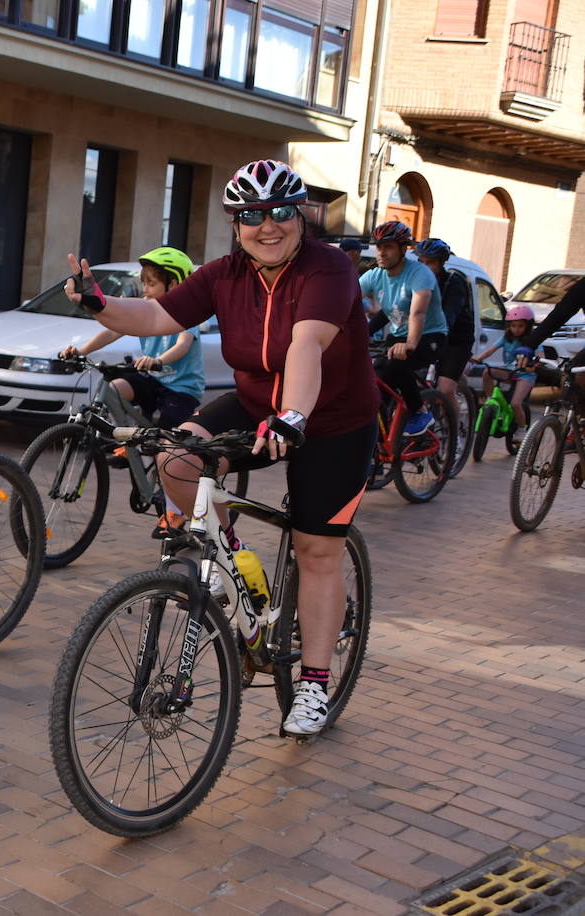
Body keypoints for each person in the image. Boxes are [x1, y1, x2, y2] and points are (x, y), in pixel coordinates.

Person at [63, 159, 379, 737]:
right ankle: (234, 560)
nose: (268, 226)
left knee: (315, 550)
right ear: (235, 225)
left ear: (301, 217)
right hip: (257, 404)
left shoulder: (328, 268)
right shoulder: (225, 274)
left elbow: (307, 344)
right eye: (251, 216)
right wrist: (97, 302)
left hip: (333, 421)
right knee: (176, 458)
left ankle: (313, 683)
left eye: (281, 212)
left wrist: (293, 417)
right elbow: (156, 314)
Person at [57, 247, 205, 536]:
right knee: (115, 389)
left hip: (181, 390)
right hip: (153, 381)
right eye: (143, 283)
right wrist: (82, 350)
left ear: (174, 284)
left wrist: (159, 359)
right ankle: (130, 443)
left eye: (151, 283)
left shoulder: (187, 312)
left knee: (167, 450)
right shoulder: (144, 309)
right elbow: (113, 330)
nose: (145, 289)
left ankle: (174, 513)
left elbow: (183, 344)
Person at [361, 220, 446, 435]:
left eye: (388, 247)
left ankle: (420, 411)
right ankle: (380, 443)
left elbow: (418, 312)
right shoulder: (375, 275)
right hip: (398, 336)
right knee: (375, 385)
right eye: (379, 247)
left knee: (397, 363)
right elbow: (344, 300)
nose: (381, 252)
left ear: (403, 249)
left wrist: (410, 344)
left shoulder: (420, 273)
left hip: (429, 336)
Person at [413, 237, 475, 430]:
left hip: (456, 341)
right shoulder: (417, 281)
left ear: (441, 263)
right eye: (421, 262)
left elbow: (449, 315)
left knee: (446, 389)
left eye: (430, 262)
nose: (424, 267)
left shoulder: (454, 283)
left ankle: (454, 436)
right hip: (429, 337)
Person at [472, 305, 537, 428]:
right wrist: (479, 358)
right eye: (513, 326)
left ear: (528, 326)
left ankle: (522, 430)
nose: (516, 329)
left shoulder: (533, 340)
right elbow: (491, 350)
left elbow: (540, 357)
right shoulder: (507, 337)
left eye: (520, 326)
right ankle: (490, 399)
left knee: (515, 404)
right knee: (487, 372)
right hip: (509, 372)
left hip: (525, 376)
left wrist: (533, 366)